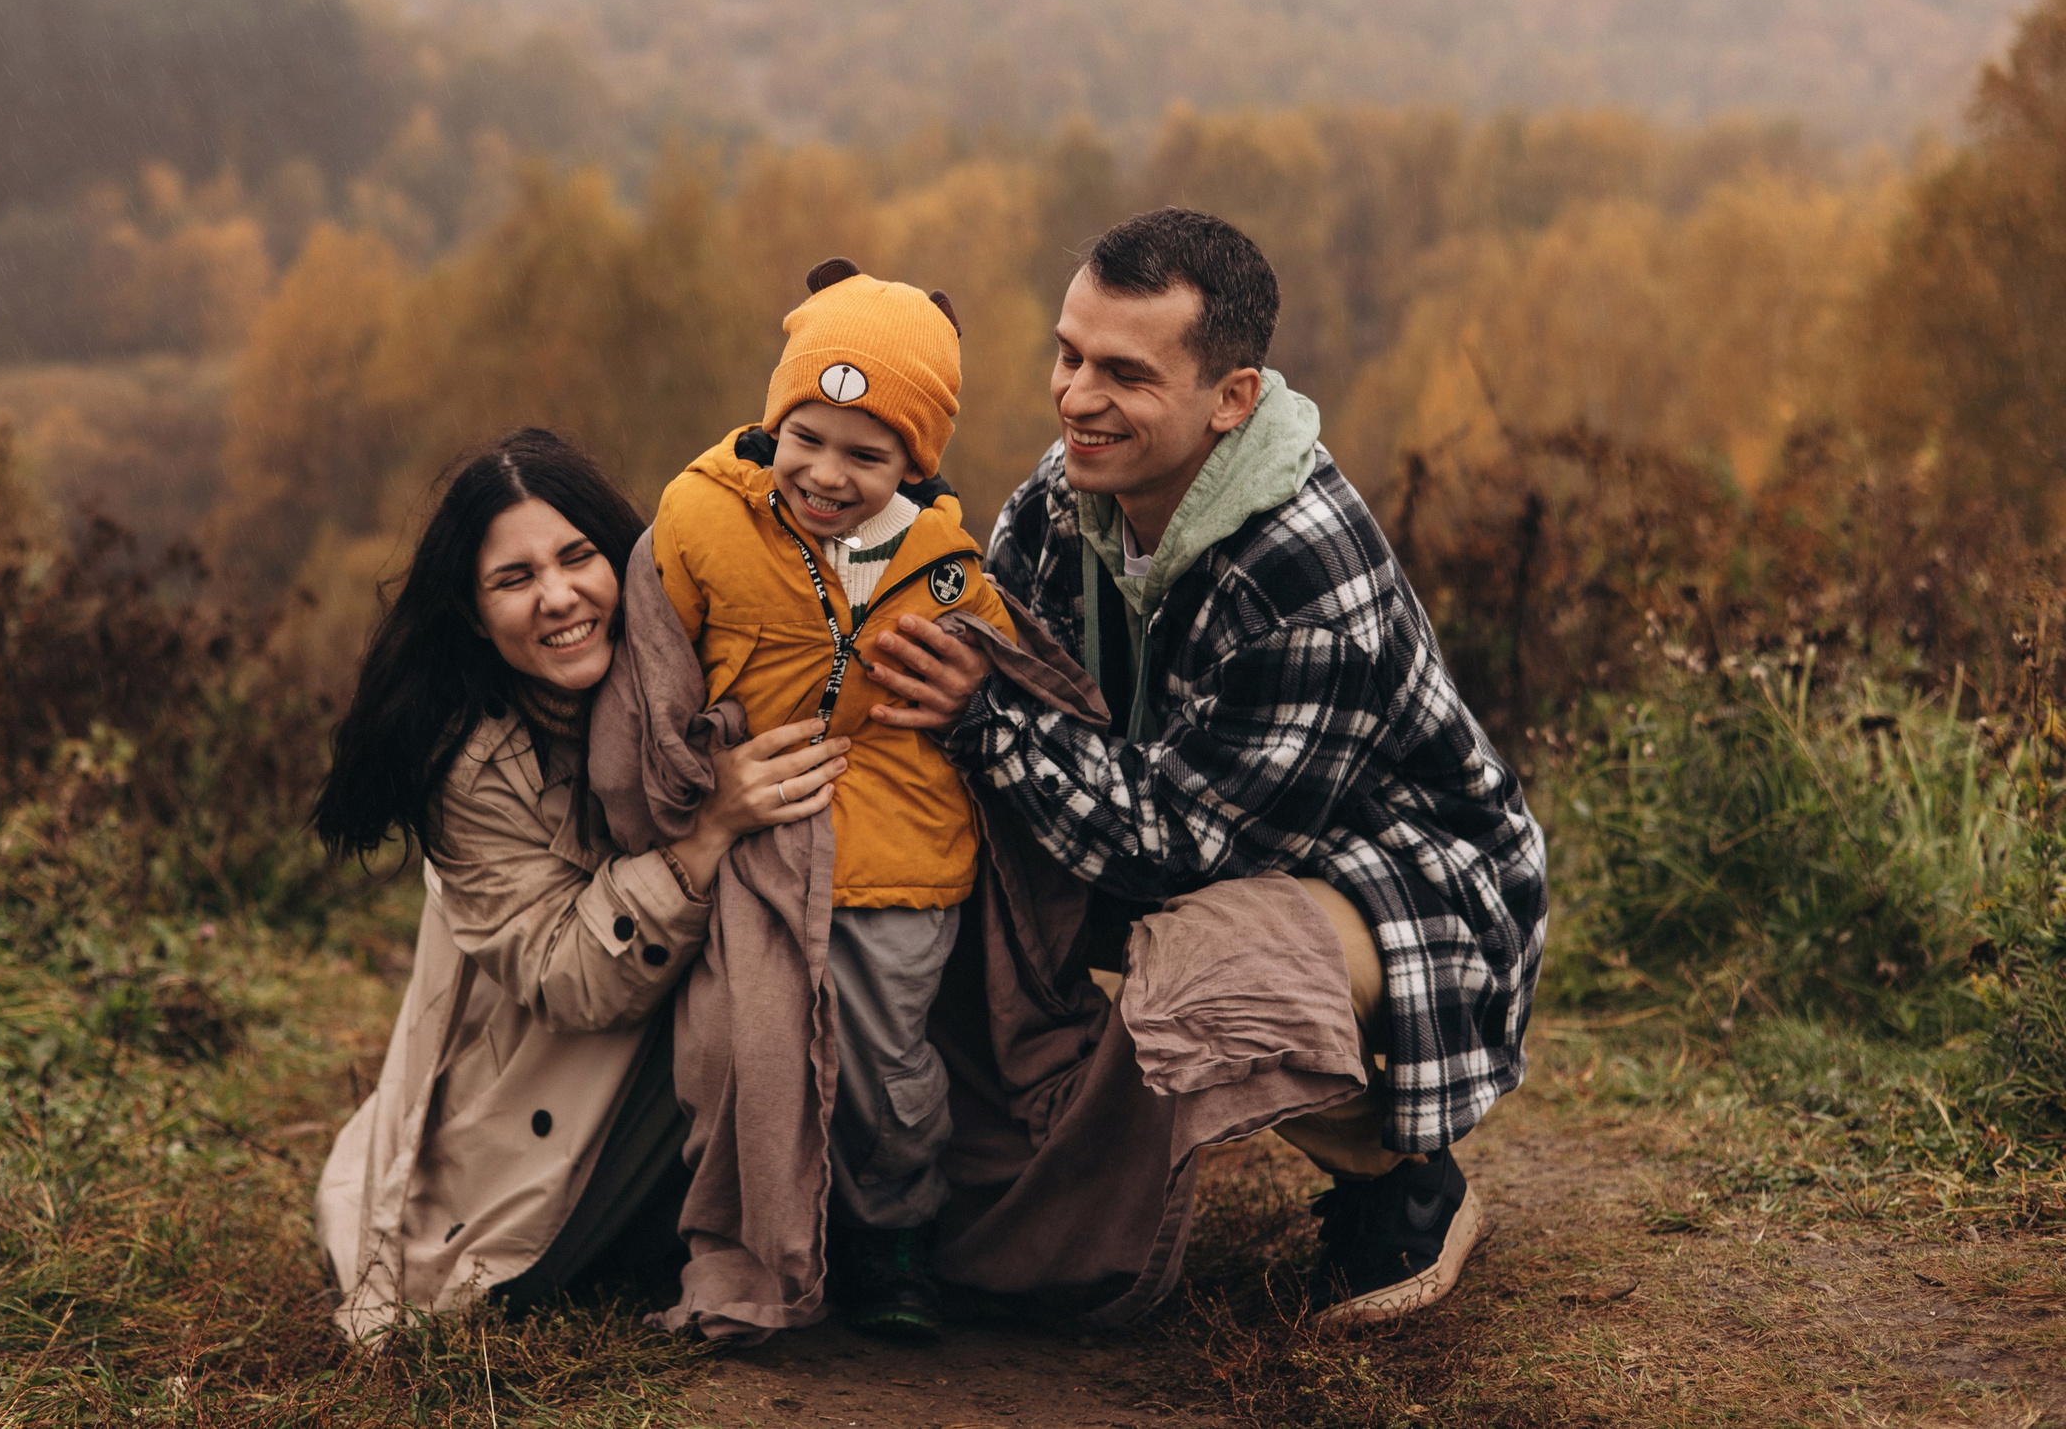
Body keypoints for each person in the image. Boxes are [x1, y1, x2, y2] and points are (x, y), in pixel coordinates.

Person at [861, 208, 1550, 1329]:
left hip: (1401, 886)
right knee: (925, 861)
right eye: (1069, 355)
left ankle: (1400, 1182)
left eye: (1125, 374)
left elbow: (1188, 847)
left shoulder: (1306, 568)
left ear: (1230, 398)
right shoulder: (1061, 499)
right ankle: (956, 1174)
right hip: (1167, 821)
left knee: (1205, 975)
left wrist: (987, 724)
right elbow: (1008, 700)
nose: (1076, 397)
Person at [309, 427, 853, 1340]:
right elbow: (570, 976)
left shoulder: (688, 657)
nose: (558, 597)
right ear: (474, 613)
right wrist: (709, 830)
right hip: (550, 1120)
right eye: (513, 578)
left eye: (576, 557)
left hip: (655, 1075)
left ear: (627, 562)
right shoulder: (472, 764)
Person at [649, 258, 1015, 1339]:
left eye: (868, 454)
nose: (827, 473)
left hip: (900, 858)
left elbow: (1002, 670)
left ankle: (894, 1235)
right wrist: (678, 779)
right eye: (806, 437)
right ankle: (758, 1239)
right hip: (758, 842)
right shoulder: (702, 516)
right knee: (743, 1053)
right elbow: (654, 660)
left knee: (885, 1065)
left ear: (916, 461)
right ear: (774, 422)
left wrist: (979, 679)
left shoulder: (942, 561)